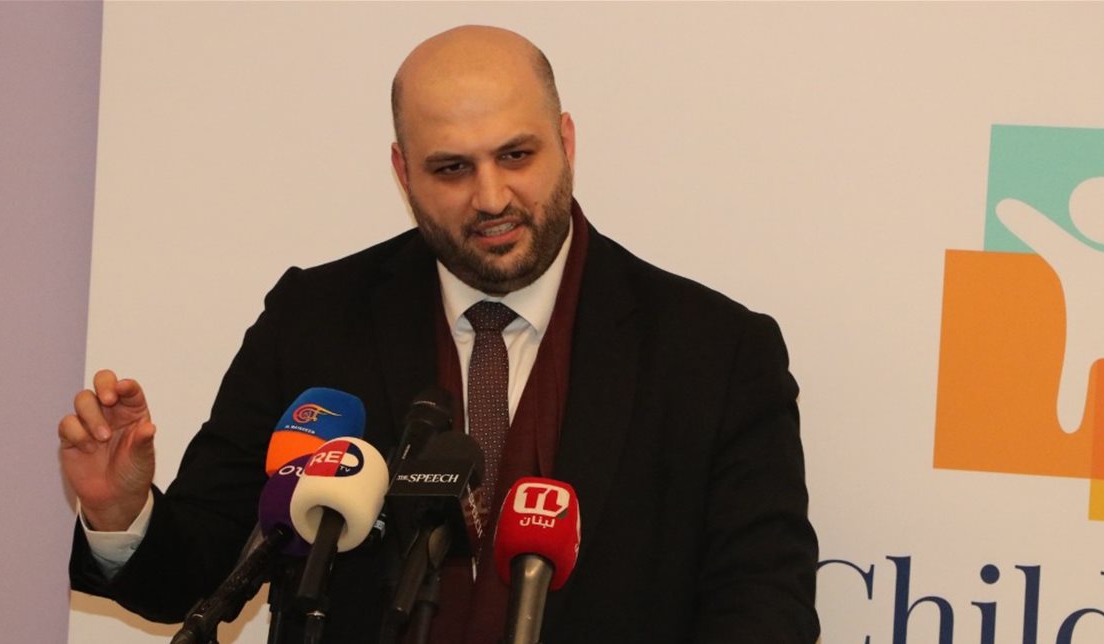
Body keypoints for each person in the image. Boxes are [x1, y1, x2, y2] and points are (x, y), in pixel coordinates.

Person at [63, 25, 819, 643]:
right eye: (452, 168)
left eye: (516, 155)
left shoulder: (715, 354)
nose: (491, 197)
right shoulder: (314, 320)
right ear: (403, 173)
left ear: (566, 140)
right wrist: (120, 513)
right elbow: (200, 574)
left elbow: (764, 610)